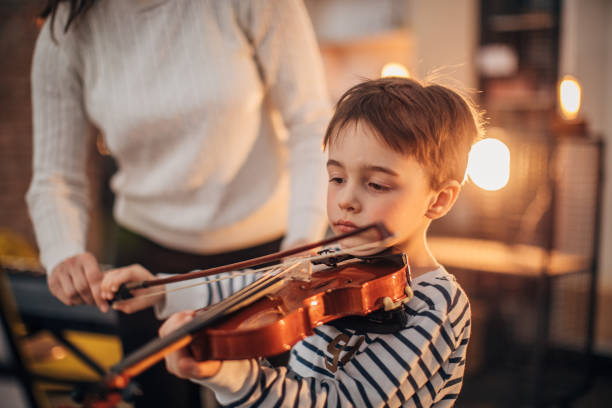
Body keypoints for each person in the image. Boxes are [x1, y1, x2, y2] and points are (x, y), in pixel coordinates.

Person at [102, 76, 483, 406]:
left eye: (376, 184)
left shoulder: (436, 304)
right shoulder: (334, 261)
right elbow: (251, 287)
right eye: (337, 178)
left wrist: (235, 378)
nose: (346, 199)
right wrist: (164, 291)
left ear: (439, 198)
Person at [26, 0, 330, 406]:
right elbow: (55, 176)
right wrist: (62, 250)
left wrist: (303, 236)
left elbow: (311, 122)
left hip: (271, 255)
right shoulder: (66, 28)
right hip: (147, 265)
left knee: (278, 397)